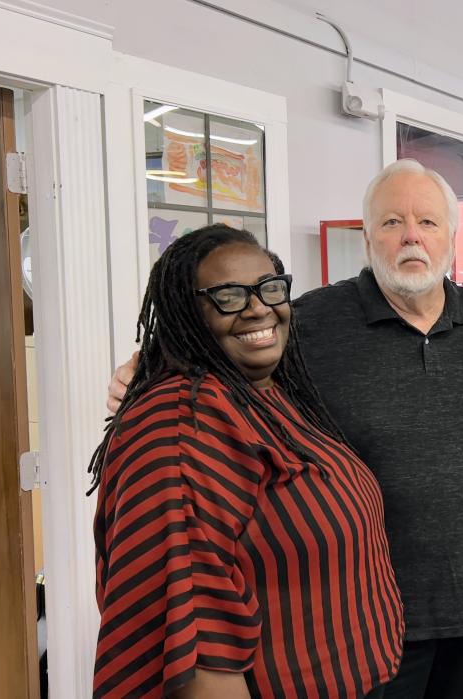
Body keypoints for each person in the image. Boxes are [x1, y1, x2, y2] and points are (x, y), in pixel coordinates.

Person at [108, 160, 463, 698]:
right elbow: (226, 340)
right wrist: (148, 369)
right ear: (368, 238)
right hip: (365, 627)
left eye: (427, 221)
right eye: (392, 222)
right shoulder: (309, 322)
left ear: (449, 239)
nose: (411, 235)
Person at [90, 224, 403, 699]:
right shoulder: (181, 427)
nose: (258, 307)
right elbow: (192, 638)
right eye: (228, 296)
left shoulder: (270, 392)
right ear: (186, 314)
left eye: (269, 288)